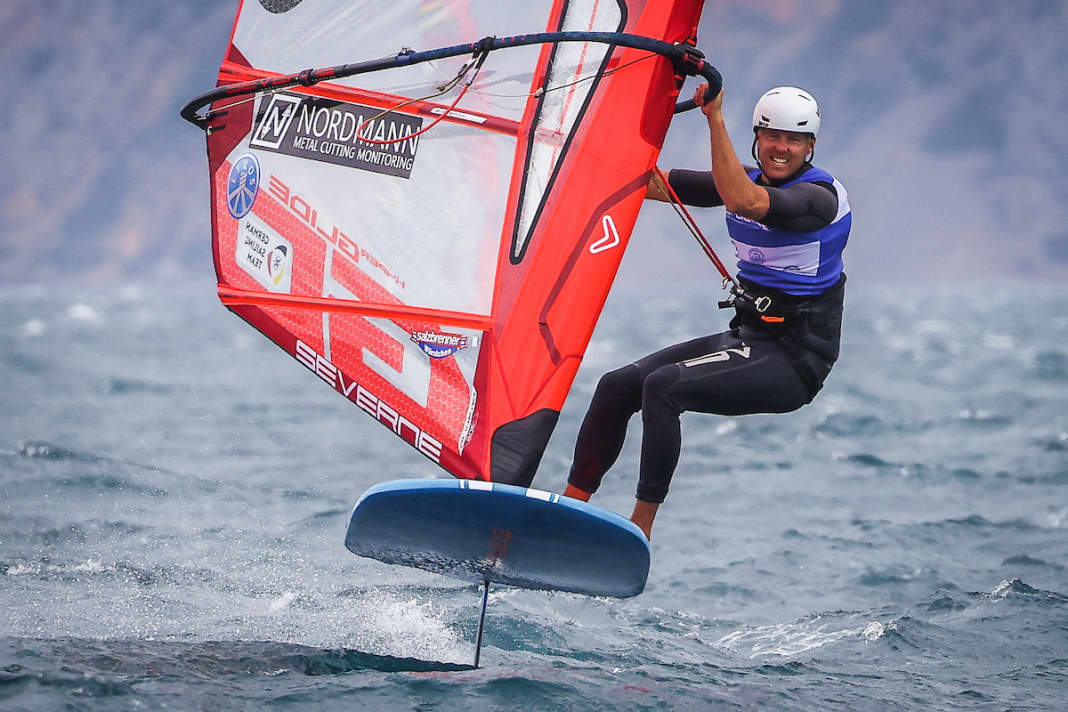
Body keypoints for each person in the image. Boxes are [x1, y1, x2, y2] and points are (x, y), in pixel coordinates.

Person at [562, 83, 851, 540]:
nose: (781, 148)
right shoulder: (746, 179)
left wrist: (714, 117)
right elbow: (651, 182)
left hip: (794, 362)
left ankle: (639, 531)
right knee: (617, 386)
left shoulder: (819, 198)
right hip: (748, 340)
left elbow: (745, 203)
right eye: (772, 136)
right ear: (757, 138)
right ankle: (567, 512)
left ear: (810, 146)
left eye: (794, 140)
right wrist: (575, 151)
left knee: (663, 389)